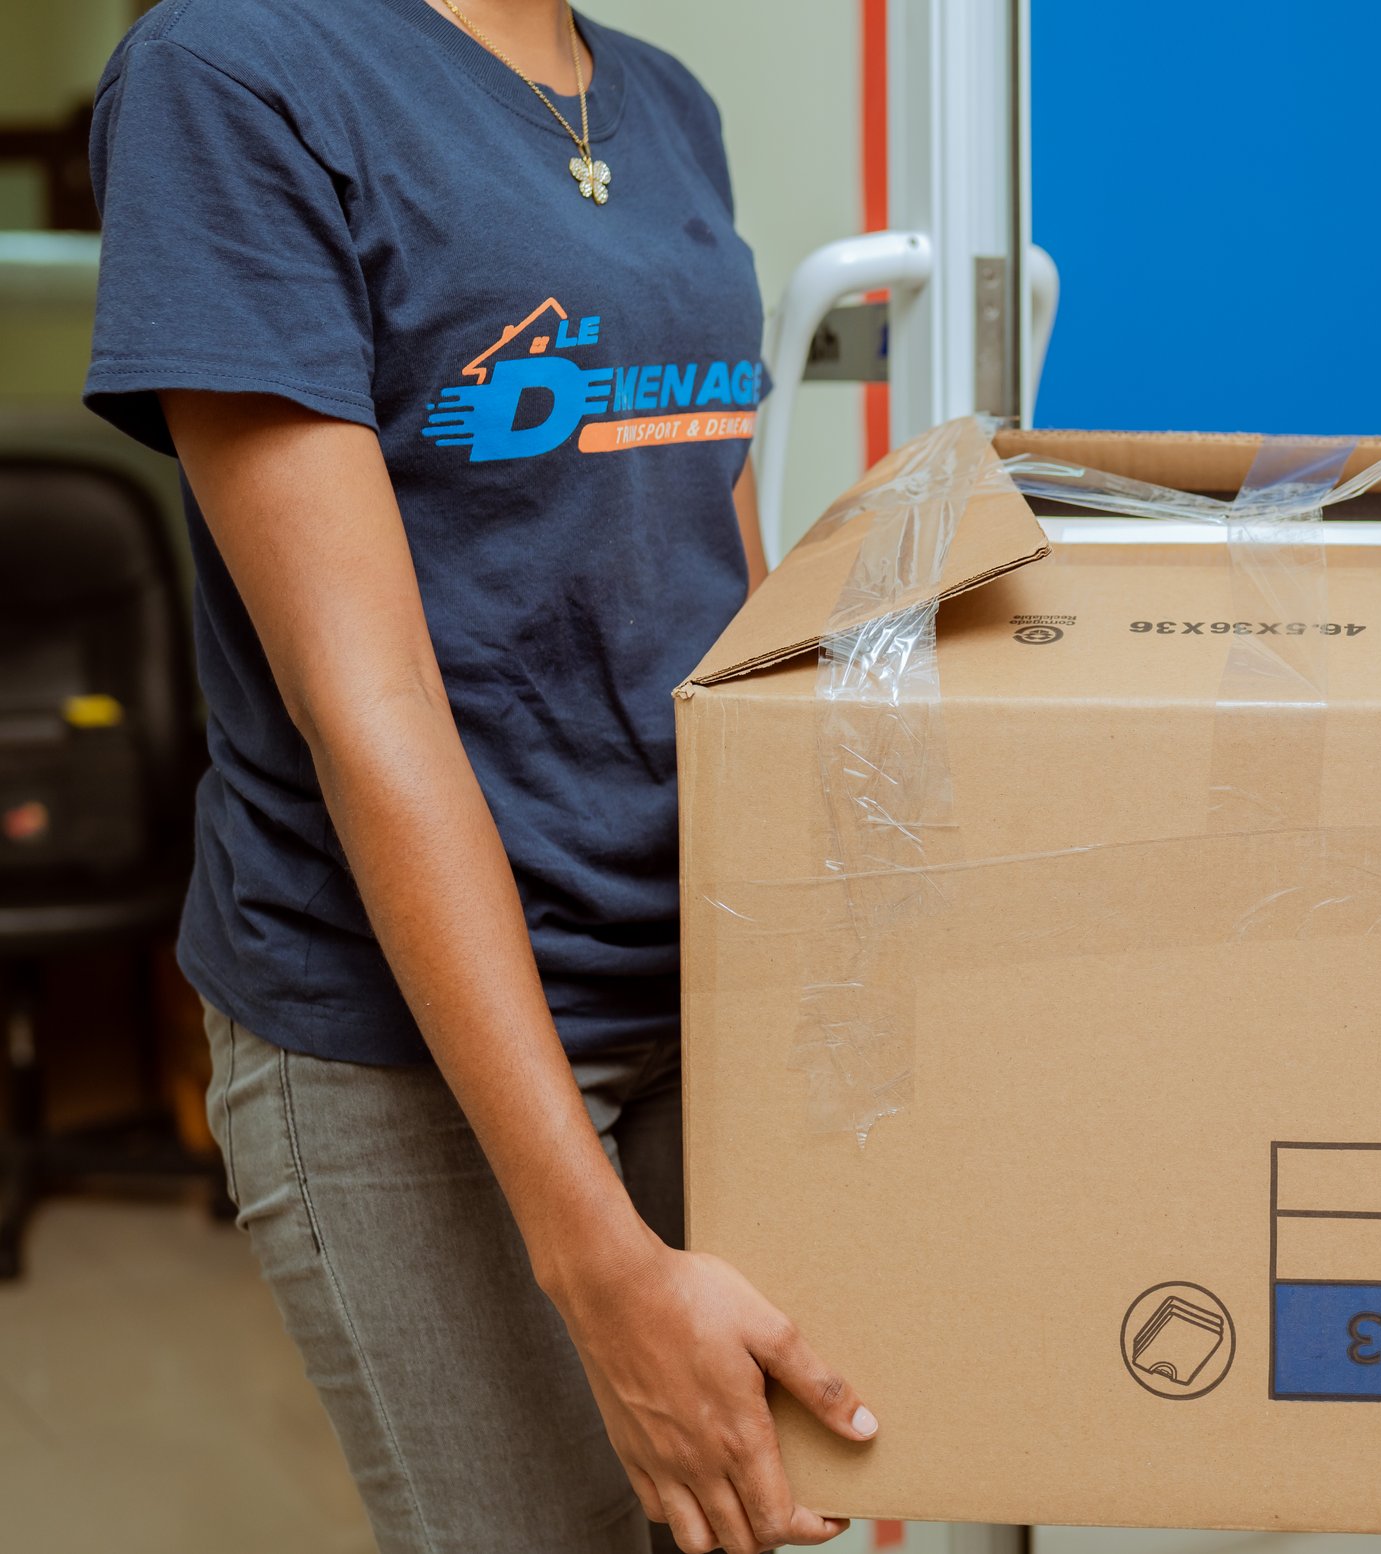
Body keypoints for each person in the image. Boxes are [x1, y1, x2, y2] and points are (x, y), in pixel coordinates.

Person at [81, 1, 872, 1550]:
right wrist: (597, 1262)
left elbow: (709, 556)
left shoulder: (664, 103)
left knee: (755, 1515)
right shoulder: (234, 74)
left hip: (695, 985)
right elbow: (368, 711)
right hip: (410, 1035)